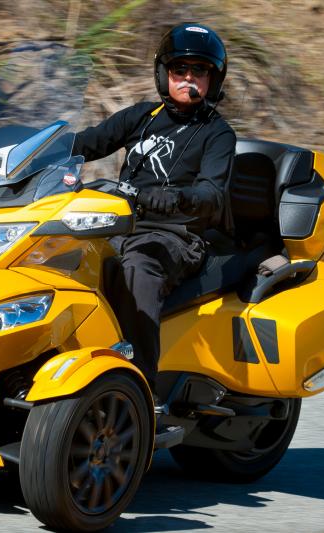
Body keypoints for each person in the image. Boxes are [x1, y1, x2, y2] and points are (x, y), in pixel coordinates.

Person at [72, 23, 237, 404]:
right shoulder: (142, 117)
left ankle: (140, 388)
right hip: (118, 223)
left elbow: (213, 192)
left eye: (199, 71)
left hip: (176, 237)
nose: (189, 78)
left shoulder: (218, 134)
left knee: (137, 268)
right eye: (180, 69)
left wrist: (176, 198)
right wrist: (32, 150)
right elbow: (86, 143)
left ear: (213, 79)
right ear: (165, 74)